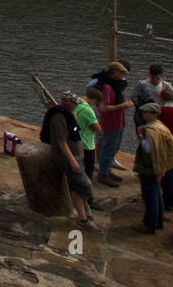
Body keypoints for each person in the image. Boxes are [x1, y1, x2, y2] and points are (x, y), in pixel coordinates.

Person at [42, 93, 97, 231]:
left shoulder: (70, 115)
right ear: (66, 102)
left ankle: (85, 212)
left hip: (77, 154)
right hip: (68, 158)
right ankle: (83, 218)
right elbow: (61, 141)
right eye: (74, 103)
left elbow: (75, 133)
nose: (76, 106)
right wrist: (72, 160)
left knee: (78, 187)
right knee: (85, 186)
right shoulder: (59, 117)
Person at [132, 103, 173, 234]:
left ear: (153, 114)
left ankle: (150, 224)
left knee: (150, 196)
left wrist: (141, 136)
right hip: (160, 165)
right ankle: (158, 221)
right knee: (156, 194)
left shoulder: (150, 130)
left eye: (146, 113)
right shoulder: (160, 126)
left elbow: (149, 149)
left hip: (151, 167)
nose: (143, 115)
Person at [94, 61, 134, 186]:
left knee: (113, 148)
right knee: (108, 148)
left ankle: (107, 170)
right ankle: (103, 174)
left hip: (118, 121)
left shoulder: (116, 85)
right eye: (121, 72)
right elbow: (104, 108)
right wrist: (123, 105)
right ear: (114, 72)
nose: (123, 75)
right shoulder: (107, 88)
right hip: (110, 123)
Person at [75, 87, 103, 210]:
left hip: (77, 142)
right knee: (88, 174)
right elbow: (98, 129)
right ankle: (88, 200)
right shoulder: (88, 110)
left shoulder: (76, 104)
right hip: (87, 144)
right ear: (94, 100)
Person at [131, 63, 167, 128]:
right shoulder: (142, 84)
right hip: (144, 116)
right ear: (149, 74)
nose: (155, 80)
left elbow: (172, 101)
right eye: (153, 77)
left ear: (161, 75)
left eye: (157, 78)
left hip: (159, 115)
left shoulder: (166, 86)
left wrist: (162, 96)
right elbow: (133, 97)